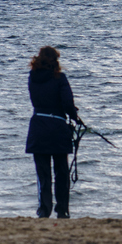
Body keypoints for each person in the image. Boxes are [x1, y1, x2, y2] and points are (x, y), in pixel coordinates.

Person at [25, 46, 82, 219]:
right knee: (61, 172)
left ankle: (44, 210)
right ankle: (62, 210)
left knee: (43, 174)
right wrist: (75, 117)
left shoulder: (32, 78)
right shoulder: (60, 78)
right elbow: (67, 103)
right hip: (57, 128)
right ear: (55, 61)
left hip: (38, 127)